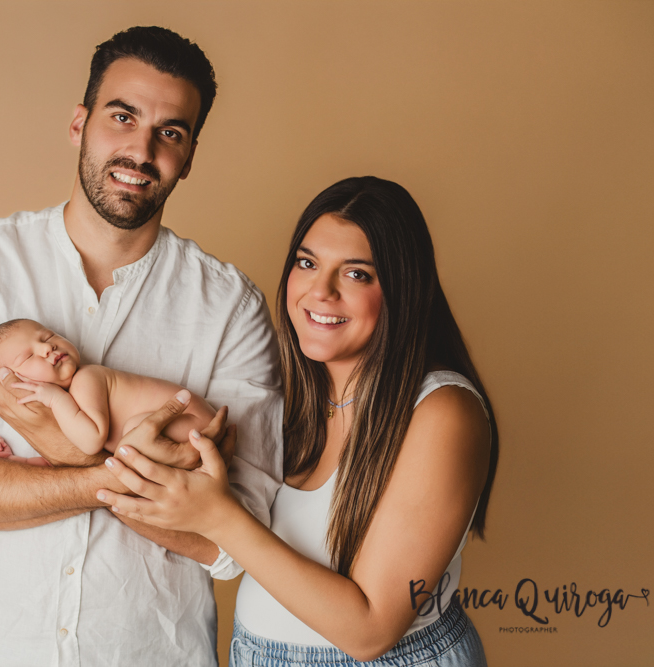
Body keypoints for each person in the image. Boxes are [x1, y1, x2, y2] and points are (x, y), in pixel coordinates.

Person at [0, 26, 283, 667]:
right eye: (122, 117)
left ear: (188, 156)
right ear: (79, 124)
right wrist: (118, 476)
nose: (141, 150)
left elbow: (234, 541)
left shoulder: (230, 308)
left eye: (170, 132)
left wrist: (53, 445)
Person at [99, 176, 499, 666]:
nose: (320, 291)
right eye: (307, 263)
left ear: (403, 290)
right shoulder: (298, 397)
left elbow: (370, 631)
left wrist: (219, 515)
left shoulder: (440, 412)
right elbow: (225, 546)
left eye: (357, 274)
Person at [0, 317, 215, 459]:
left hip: (193, 419)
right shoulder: (68, 409)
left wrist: (55, 400)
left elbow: (91, 442)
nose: (47, 348)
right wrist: (15, 460)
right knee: (135, 441)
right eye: (28, 356)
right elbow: (66, 461)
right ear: (14, 380)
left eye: (47, 337)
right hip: (187, 428)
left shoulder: (86, 378)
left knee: (136, 434)